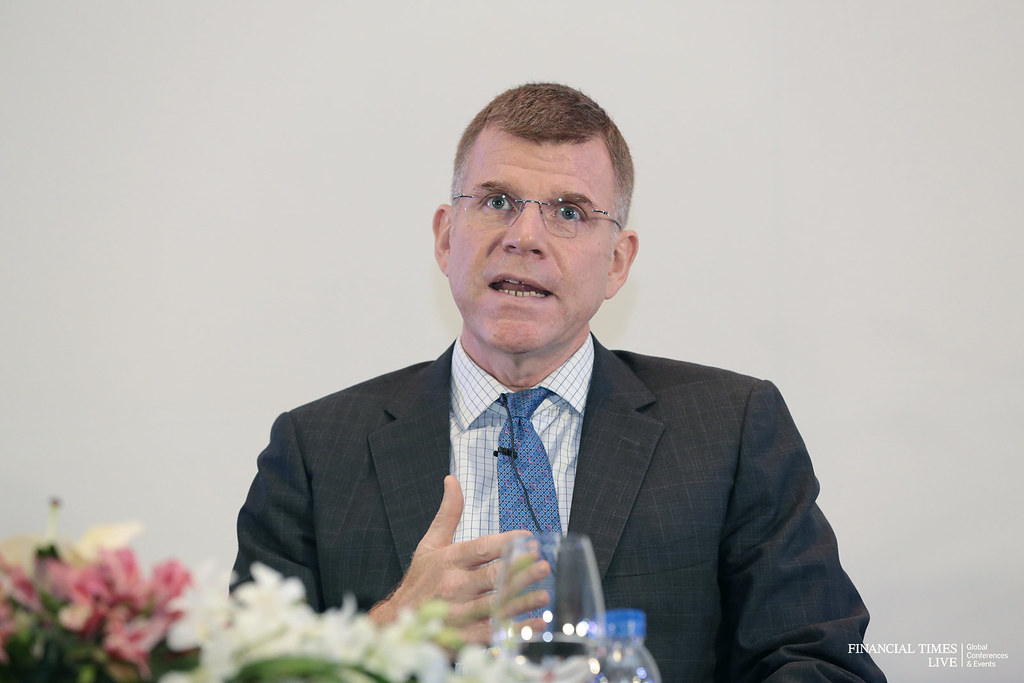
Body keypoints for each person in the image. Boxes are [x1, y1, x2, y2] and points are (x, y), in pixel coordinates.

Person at [233, 83, 885, 681]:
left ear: (617, 262)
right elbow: (239, 671)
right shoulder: (316, 451)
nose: (525, 237)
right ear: (446, 238)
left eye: (569, 212)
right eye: (496, 202)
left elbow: (823, 664)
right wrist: (390, 631)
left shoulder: (730, 430)